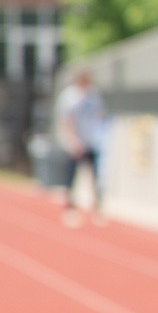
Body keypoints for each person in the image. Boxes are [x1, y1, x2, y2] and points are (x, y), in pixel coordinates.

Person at [54, 68, 106, 226]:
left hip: (92, 141)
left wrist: (99, 136)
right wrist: (73, 141)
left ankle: (97, 208)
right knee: (71, 176)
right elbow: (65, 120)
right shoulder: (69, 96)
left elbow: (99, 116)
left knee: (95, 176)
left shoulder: (94, 95)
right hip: (75, 143)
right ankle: (70, 208)